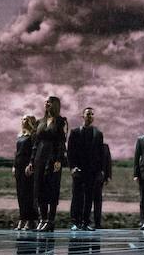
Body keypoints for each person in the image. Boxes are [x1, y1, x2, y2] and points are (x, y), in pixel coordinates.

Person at [28, 96, 67, 232]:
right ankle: (42, 219)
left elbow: (62, 143)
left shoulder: (61, 121)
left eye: (49, 102)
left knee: (52, 189)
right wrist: (31, 161)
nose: (46, 104)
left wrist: (58, 160)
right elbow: (35, 143)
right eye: (45, 102)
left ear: (55, 104)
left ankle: (51, 220)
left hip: (52, 159)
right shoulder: (40, 122)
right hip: (39, 158)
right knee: (40, 189)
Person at [68, 107, 105, 231]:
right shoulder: (74, 132)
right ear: (82, 116)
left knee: (89, 196)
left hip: (92, 170)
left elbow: (101, 154)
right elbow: (70, 153)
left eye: (92, 114)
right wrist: (72, 168)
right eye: (88, 114)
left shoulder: (98, 134)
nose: (90, 116)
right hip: (78, 170)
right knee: (77, 196)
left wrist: (100, 171)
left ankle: (85, 222)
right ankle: (75, 222)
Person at [13, 115, 38, 230]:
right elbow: (17, 152)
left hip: (28, 167)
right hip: (18, 167)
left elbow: (34, 152)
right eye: (23, 119)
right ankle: (22, 218)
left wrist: (30, 164)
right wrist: (14, 165)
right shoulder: (20, 135)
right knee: (21, 194)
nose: (24, 121)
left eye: (26, 119)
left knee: (29, 194)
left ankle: (30, 220)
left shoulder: (33, 136)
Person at [93, 142, 112, 229]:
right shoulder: (87, 144)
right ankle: (85, 221)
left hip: (99, 177)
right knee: (86, 200)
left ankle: (97, 222)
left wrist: (108, 176)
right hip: (88, 177)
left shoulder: (104, 147)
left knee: (98, 200)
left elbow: (108, 161)